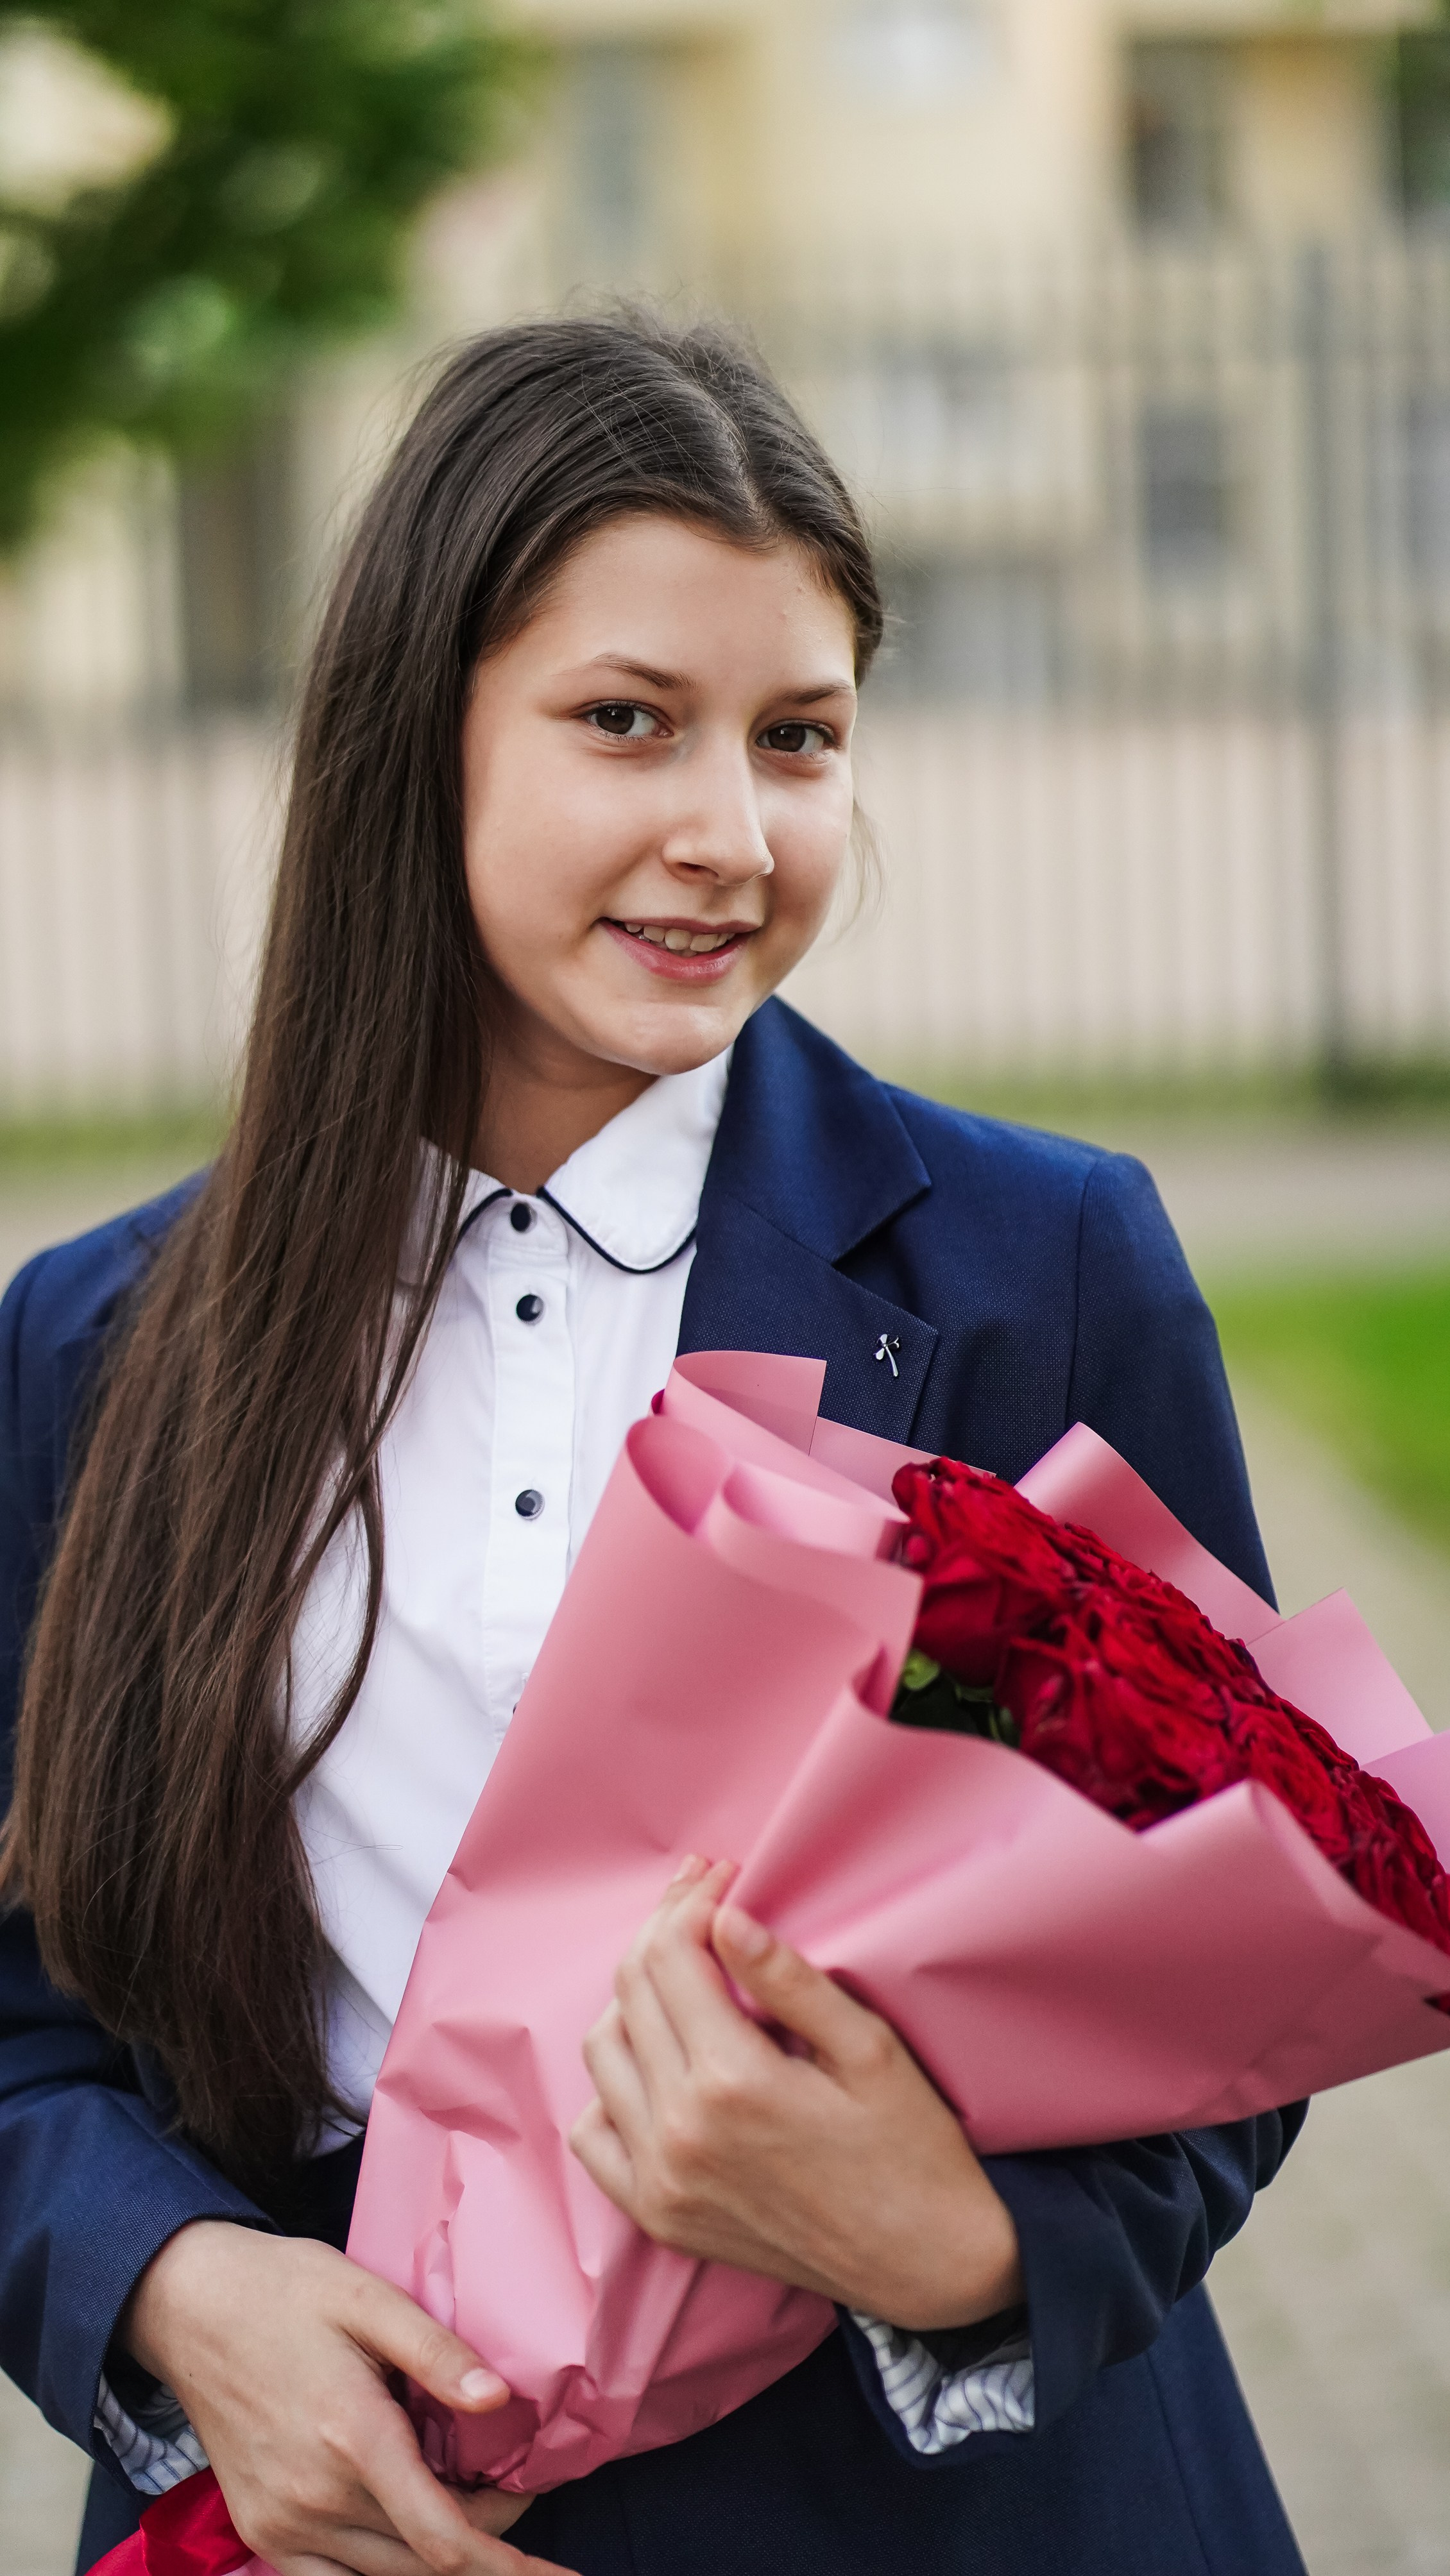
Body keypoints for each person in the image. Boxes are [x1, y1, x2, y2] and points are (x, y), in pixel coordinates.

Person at [0, 314, 1305, 2576]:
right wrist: (177, 2294)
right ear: (414, 739)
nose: (731, 834)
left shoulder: (1038, 1269)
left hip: (952, 2516)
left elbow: (1235, 1969)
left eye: (798, 738)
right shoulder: (100, 1342)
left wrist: (965, 2243)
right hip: (345, 2508)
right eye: (628, 722)